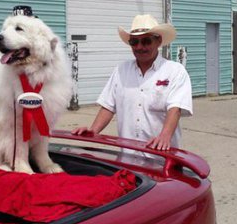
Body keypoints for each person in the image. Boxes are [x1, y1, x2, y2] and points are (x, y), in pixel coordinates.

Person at [73, 15, 192, 151]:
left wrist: (164, 136)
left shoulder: (175, 71)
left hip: (162, 157)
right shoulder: (121, 70)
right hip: (128, 158)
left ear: (158, 41)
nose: (139, 47)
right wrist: (93, 131)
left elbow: (175, 109)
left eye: (146, 41)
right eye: (134, 42)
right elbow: (108, 106)